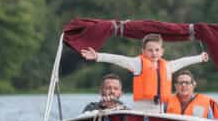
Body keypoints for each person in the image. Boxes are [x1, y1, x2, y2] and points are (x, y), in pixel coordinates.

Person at [80, 33, 208, 112]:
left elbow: (183, 61)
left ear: (162, 51)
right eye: (150, 50)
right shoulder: (137, 63)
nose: (153, 53)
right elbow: (118, 59)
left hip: (158, 113)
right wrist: (97, 56)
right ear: (143, 51)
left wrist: (200, 58)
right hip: (140, 112)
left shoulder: (167, 66)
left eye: (157, 50)